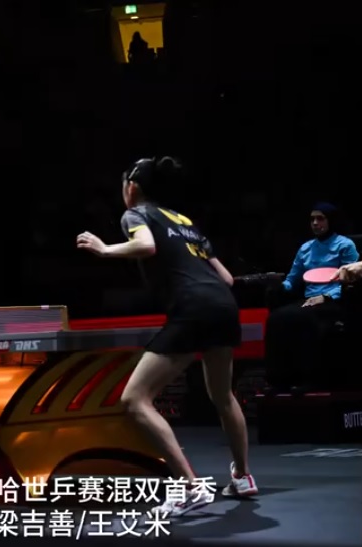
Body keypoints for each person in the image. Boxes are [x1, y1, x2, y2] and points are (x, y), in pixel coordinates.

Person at [76, 157, 256, 518]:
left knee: (134, 399)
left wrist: (104, 249)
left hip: (192, 308)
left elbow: (146, 247)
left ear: (132, 187)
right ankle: (243, 476)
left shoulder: (136, 214)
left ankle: (189, 487)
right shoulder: (184, 221)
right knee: (223, 395)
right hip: (223, 305)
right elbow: (226, 278)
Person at [264, 203, 358, 391]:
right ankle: (278, 380)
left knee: (304, 319)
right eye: (312, 219)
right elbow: (292, 279)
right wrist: (280, 286)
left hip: (336, 300)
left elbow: (352, 280)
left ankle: (311, 380)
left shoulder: (345, 245)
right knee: (276, 319)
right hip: (309, 299)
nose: (315, 223)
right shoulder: (305, 248)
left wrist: (327, 297)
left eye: (320, 218)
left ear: (330, 221)